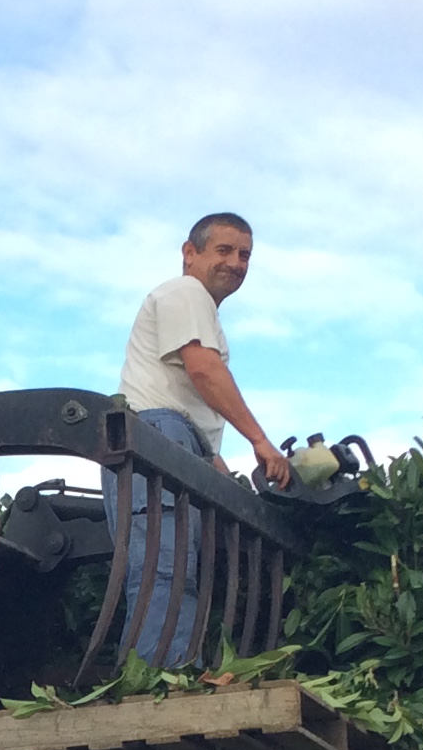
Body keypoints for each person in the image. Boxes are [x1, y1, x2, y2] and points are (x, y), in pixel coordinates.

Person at [114, 211, 292, 664]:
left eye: (245, 254)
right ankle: (157, 680)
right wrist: (260, 441)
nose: (236, 262)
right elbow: (203, 370)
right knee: (164, 568)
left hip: (178, 438)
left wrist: (223, 478)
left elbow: (190, 403)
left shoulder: (197, 307)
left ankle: (172, 672)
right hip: (160, 436)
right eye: (224, 250)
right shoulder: (185, 291)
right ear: (189, 254)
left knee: (174, 569)